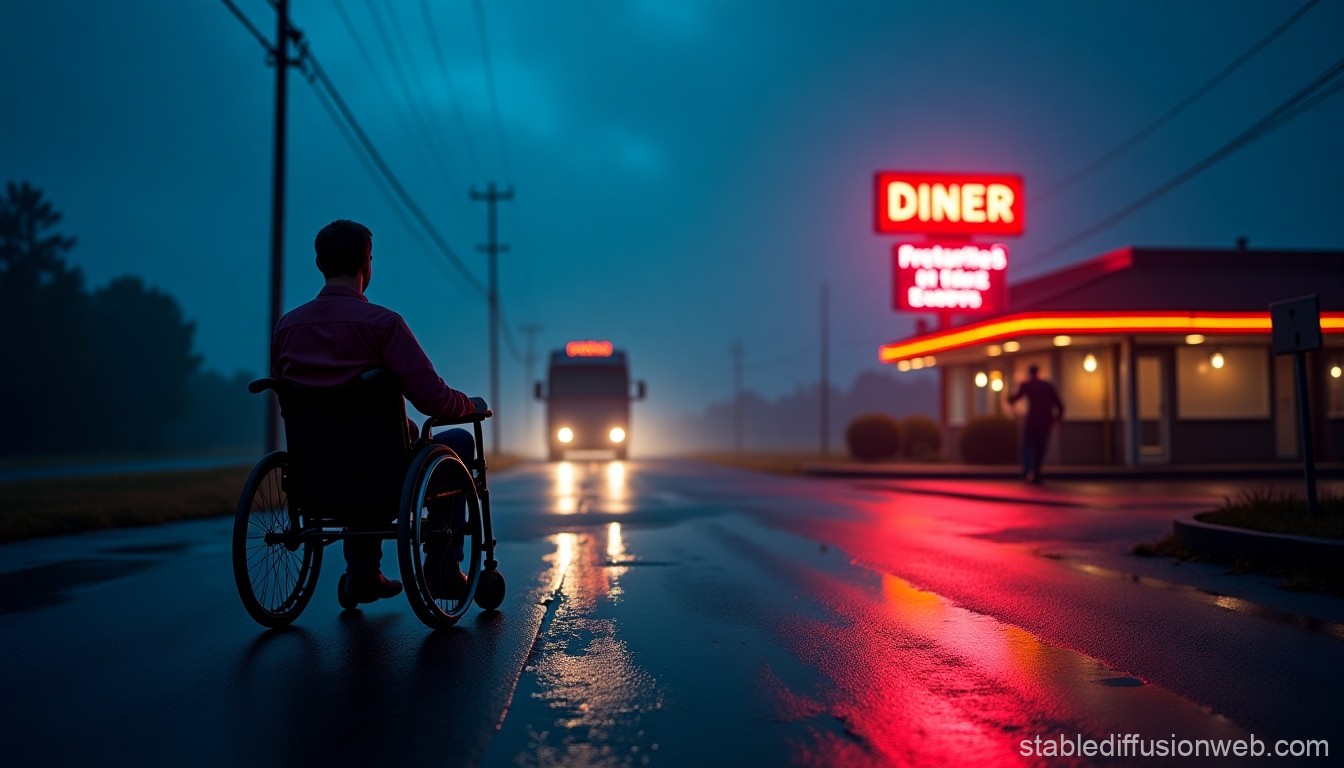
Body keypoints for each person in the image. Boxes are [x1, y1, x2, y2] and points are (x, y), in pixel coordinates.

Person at [271, 219, 484, 604]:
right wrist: (470, 405)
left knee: (355, 451)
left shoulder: (287, 328)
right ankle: (443, 567)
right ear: (367, 263)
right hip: (382, 469)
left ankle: (363, 575)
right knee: (459, 442)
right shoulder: (383, 325)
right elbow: (433, 400)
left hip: (315, 470)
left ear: (320, 263)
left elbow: (291, 402)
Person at [1007, 364, 1064, 484]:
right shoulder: (1047, 386)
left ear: (1029, 373)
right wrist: (1056, 420)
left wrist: (1008, 394)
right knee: (1040, 448)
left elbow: (1014, 398)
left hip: (1031, 422)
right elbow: (1060, 405)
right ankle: (1036, 472)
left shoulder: (1026, 385)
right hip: (1045, 422)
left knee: (1027, 447)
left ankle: (1028, 471)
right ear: (1038, 372)